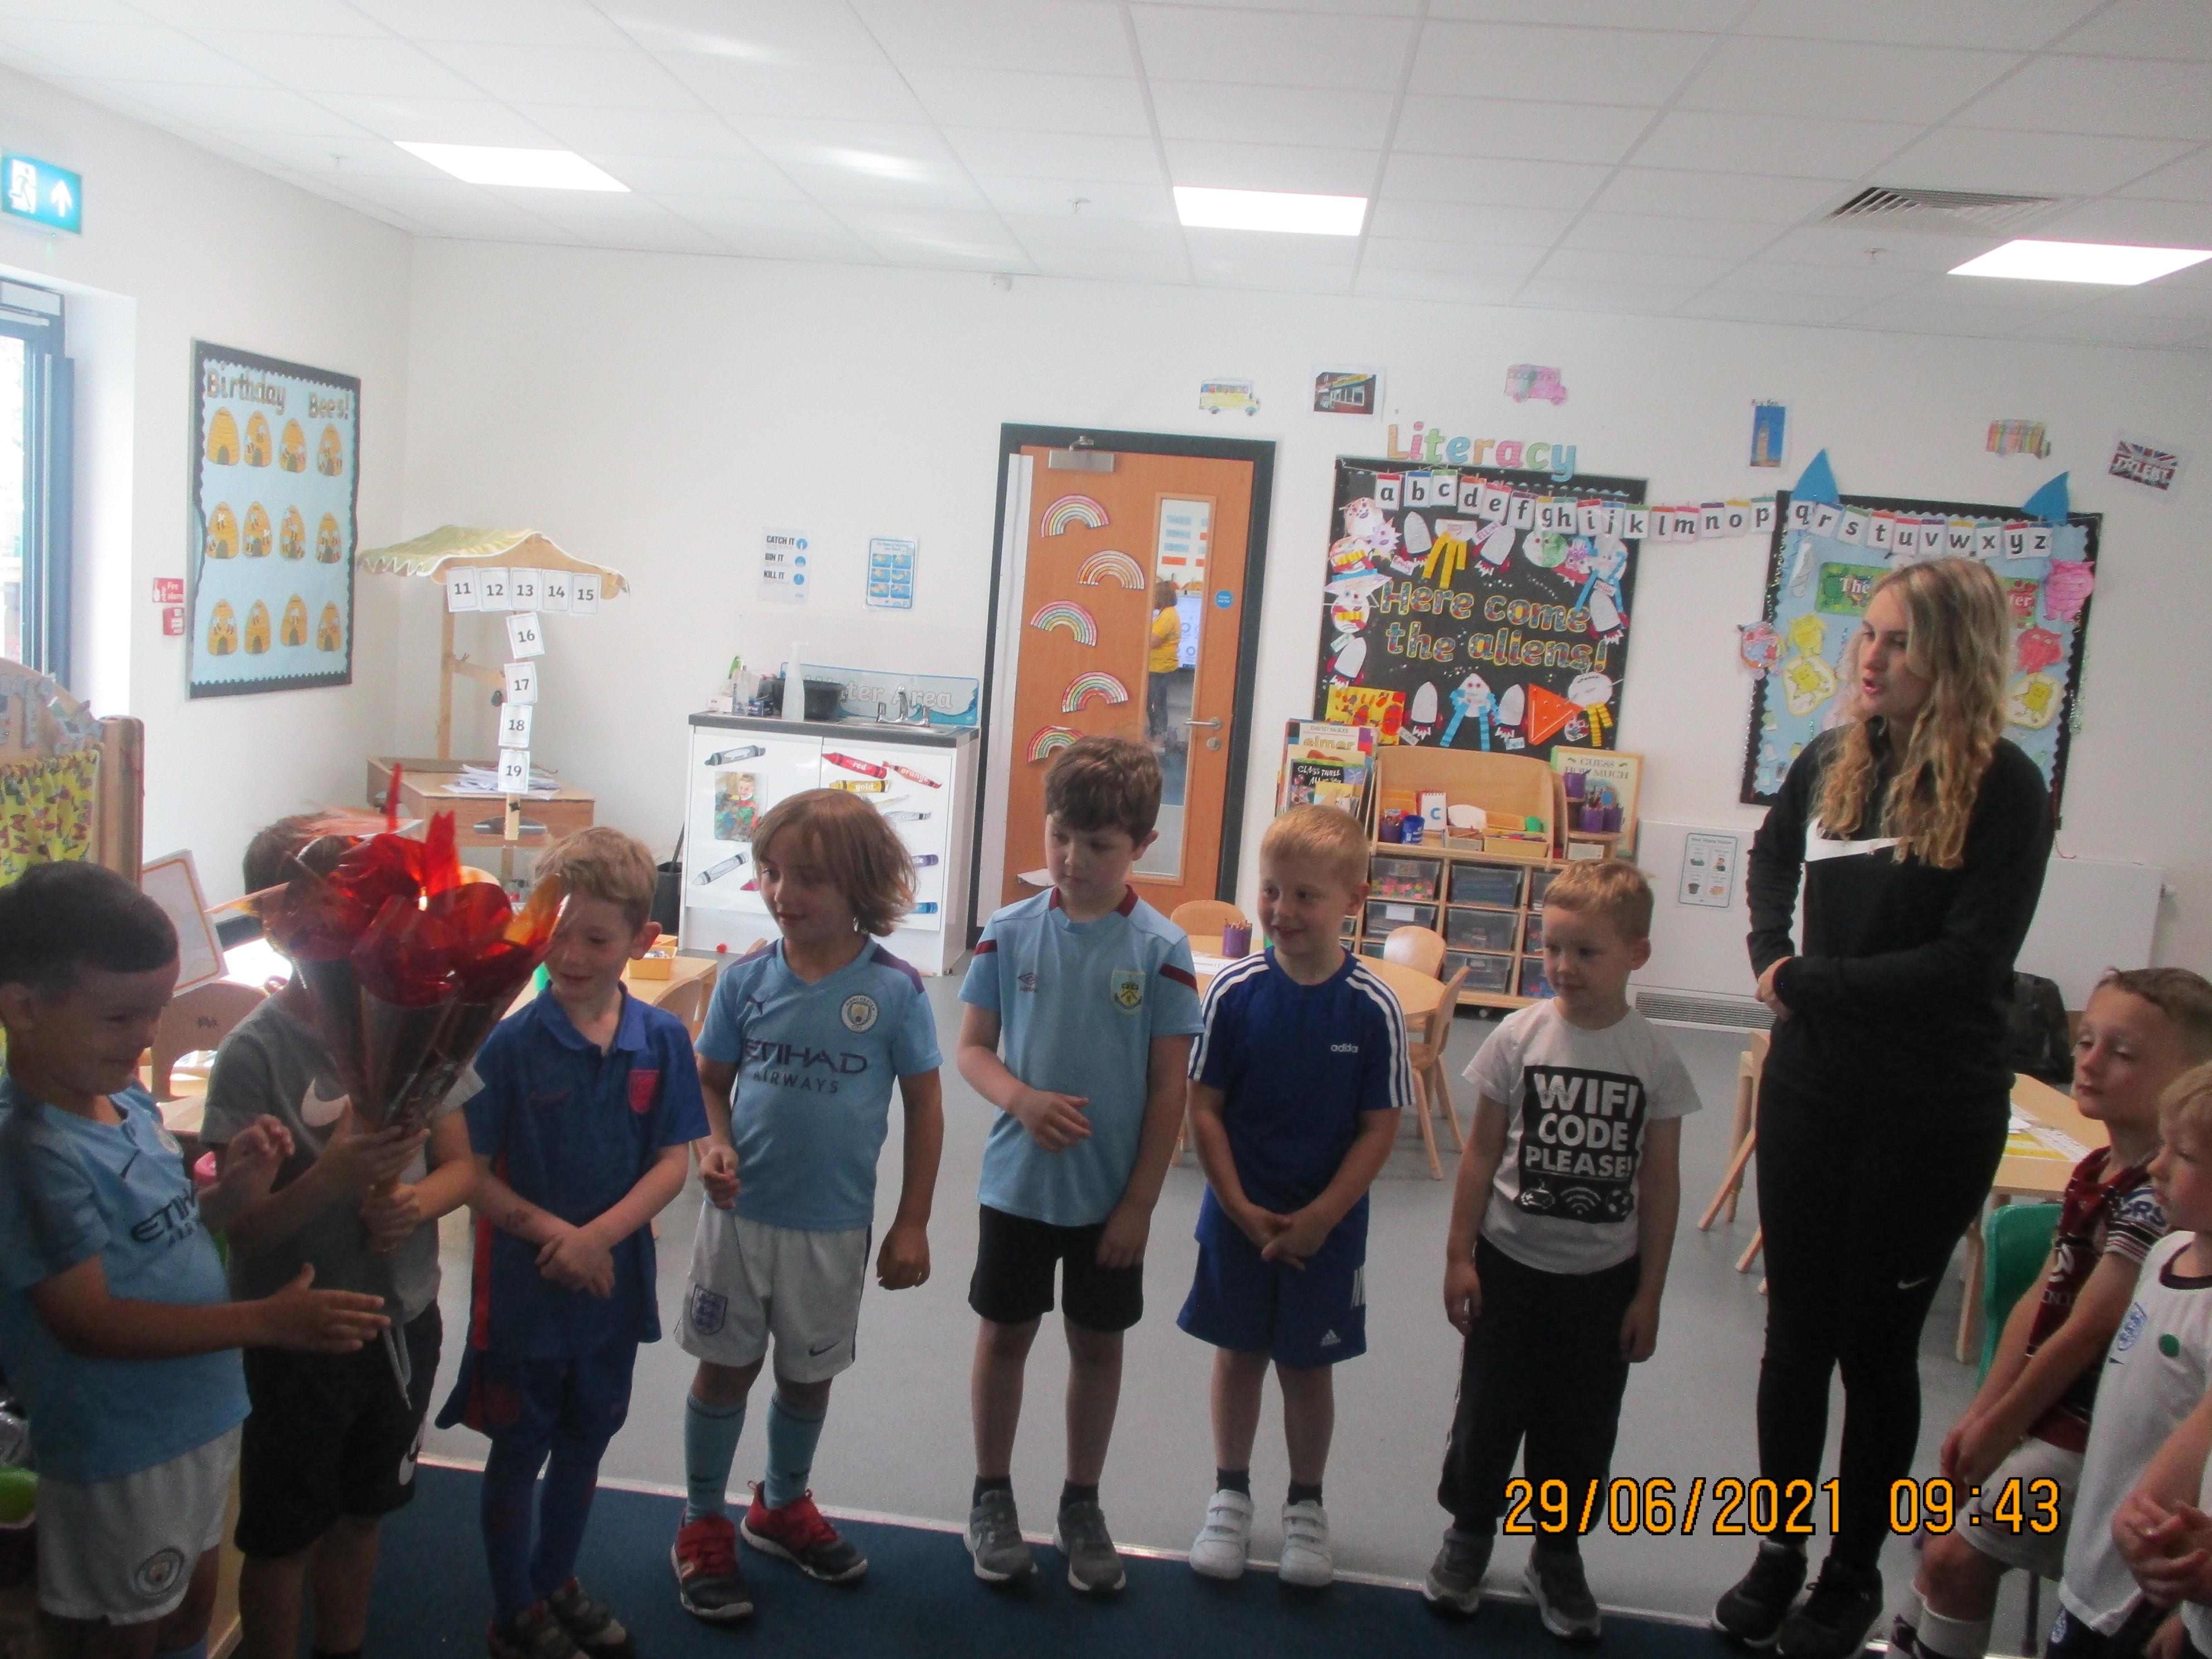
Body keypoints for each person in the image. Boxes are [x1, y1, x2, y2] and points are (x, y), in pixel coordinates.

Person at [1717, 558, 2054, 1659]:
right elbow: (1770, 858)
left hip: (1928, 1107)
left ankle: (1851, 1569)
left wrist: (1807, 983)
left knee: (1875, 1347)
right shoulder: (1833, 759)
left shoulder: (2004, 788)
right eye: (1867, 633)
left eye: (1900, 641)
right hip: (1812, 1086)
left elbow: (1967, 963)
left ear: (1954, 655)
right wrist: (1768, 953)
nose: (1871, 657)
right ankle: (1777, 1551)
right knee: (1794, 1337)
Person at [0, 861, 389, 1659]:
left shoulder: (124, 1100)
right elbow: (89, 1321)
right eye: (120, 1016)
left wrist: (229, 1193)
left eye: (156, 1010)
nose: (147, 1035)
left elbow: (161, 1229)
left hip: (195, 1421)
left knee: (186, 1613)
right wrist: (266, 1321)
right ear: (23, 1009)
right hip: (122, 1450)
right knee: (119, 1630)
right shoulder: (35, 1154)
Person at [203, 817, 487, 1659]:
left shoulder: (426, 1023)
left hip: (400, 1320)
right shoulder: (255, 1053)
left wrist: (415, 1205)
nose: (357, 935)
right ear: (280, 926)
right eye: (332, 917)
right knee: (283, 1533)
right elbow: (243, 1229)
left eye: (374, 914)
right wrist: (331, 1176)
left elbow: (461, 1169)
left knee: (365, 1513)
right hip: (298, 1335)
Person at [671, 791, 944, 1623]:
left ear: (861, 885)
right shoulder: (746, 979)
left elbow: (925, 1108)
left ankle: (781, 1504)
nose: (783, 892)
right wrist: (711, 1148)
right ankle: (702, 1518)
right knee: (726, 1368)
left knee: (806, 1374)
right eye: (771, 872)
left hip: (832, 1226)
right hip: (739, 1222)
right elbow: (708, 1086)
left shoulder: (894, 991)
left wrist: (911, 1221)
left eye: (810, 878)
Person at [435, 827, 707, 1659]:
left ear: (642, 939)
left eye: (597, 938)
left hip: (609, 1292)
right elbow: (470, 1174)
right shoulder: (507, 1045)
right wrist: (560, 1236)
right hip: (525, 1292)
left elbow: (673, 1161)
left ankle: (556, 1579)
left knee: (587, 1440)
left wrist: (600, 1239)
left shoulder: (661, 1039)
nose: (572, 955)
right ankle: (514, 1610)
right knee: (519, 1449)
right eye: (557, 933)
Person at [1892, 969, 2212, 1659]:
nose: (2088, 1062)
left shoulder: (2156, 1202)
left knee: (1953, 1556)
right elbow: (2042, 1295)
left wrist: (2002, 1423)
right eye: (2086, 1041)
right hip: (2043, 1418)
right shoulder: (2095, 1167)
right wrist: (1986, 1413)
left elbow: (2089, 1328)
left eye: (2121, 1054)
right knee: (1937, 1536)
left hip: (2082, 1434)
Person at [1425, 858, 1699, 1640]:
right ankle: (1469, 1531)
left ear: (1636, 954)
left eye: (1585, 951)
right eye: (1551, 947)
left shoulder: (1653, 1058)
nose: (1562, 966)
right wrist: (1458, 1255)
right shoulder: (1517, 1037)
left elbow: (1660, 1180)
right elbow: (1480, 1153)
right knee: (1487, 1412)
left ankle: (1555, 1552)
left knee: (1579, 1428)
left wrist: (1649, 1292)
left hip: (1601, 1283)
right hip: (1509, 1268)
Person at [957, 736, 1205, 1593]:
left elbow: (1168, 1089)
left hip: (1109, 1201)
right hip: (1017, 1187)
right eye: (1061, 835)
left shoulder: (1161, 949)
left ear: (1141, 846)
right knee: (1005, 1335)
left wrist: (1138, 1205)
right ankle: (991, 1496)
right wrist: (1021, 1100)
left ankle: (1081, 1502)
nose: (1072, 858)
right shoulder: (1007, 932)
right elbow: (972, 1050)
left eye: (1098, 844)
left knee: (1097, 1346)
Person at [1179, 805, 1409, 1589]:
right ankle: (1229, 1494)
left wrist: (1320, 1217)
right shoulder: (1234, 992)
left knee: (1309, 1368)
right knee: (1238, 1353)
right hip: (1235, 1216)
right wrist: (1238, 1206)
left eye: (1306, 895)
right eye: (1271, 890)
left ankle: (1306, 1505)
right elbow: (1204, 1108)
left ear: (1353, 899)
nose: (1283, 910)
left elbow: (1379, 1128)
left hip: (1327, 1230)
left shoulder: (1371, 1007)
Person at [2057, 1062, 2212, 1659]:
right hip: (2098, 1555)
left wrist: (2177, 1610)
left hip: (2146, 1588)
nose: (2155, 1167)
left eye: (2184, 1155)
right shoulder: (2165, 1250)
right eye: (2162, 1145)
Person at [1146, 580, 1182, 748]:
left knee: (1156, 703)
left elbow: (1153, 641)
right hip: (1157, 667)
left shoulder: (1167, 616)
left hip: (1160, 668)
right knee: (1153, 702)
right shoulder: (1165, 614)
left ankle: (1159, 737)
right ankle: (1156, 734)